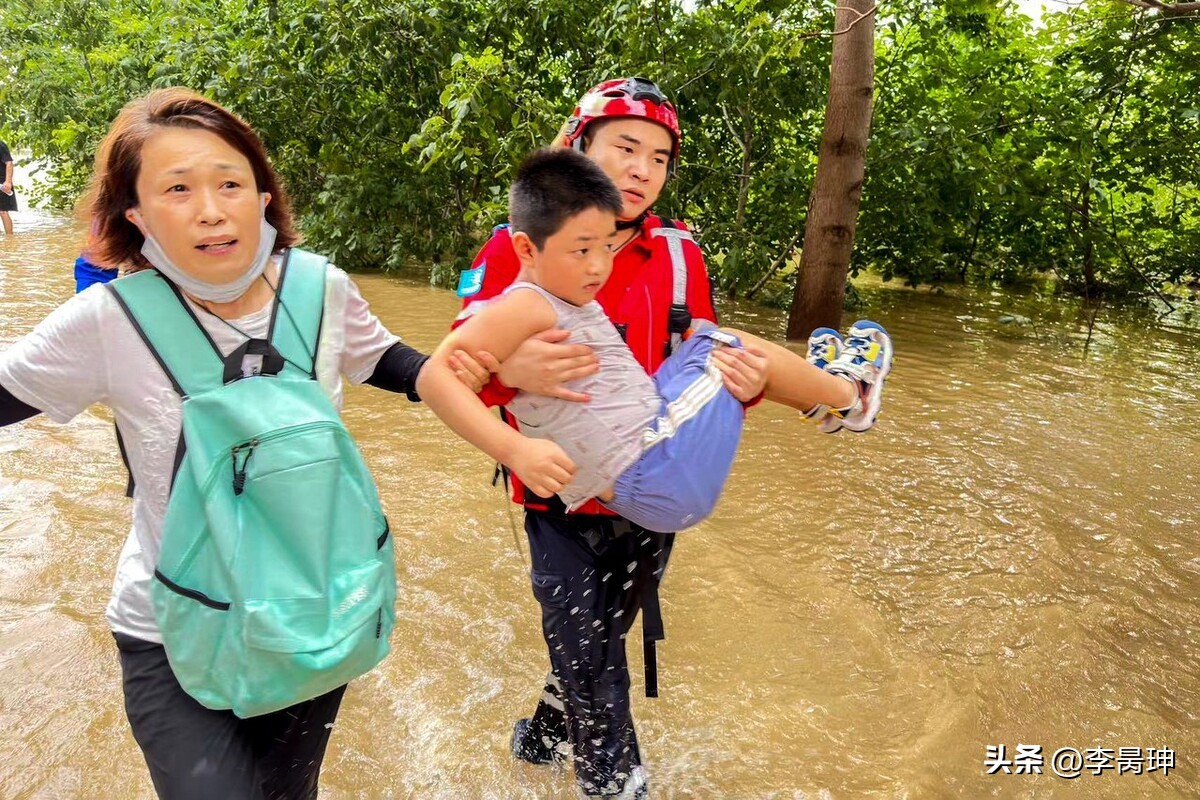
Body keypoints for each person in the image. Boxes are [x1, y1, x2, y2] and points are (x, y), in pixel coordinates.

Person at [0, 88, 492, 799]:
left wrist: (504, 372)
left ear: (262, 194)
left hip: (310, 613)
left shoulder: (322, 289)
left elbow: (401, 366)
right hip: (170, 631)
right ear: (134, 214)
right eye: (177, 189)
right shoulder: (105, 321)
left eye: (229, 182)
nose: (210, 208)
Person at [447, 78, 773, 799]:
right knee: (597, 669)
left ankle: (537, 740)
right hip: (556, 493)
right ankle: (619, 788)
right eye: (624, 148)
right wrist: (509, 366)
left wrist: (742, 390)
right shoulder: (514, 247)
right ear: (579, 149)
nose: (640, 170)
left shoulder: (683, 257)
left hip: (648, 494)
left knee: (598, 650)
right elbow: (458, 366)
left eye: (658, 158)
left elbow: (705, 369)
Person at [421, 147, 890, 551]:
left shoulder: (592, 273)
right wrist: (514, 449)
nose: (600, 266)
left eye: (607, 246)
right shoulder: (527, 303)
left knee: (697, 347)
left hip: (646, 459)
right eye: (582, 250)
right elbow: (434, 377)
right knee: (714, 343)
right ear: (526, 250)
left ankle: (824, 400)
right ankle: (848, 395)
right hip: (655, 473)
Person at [0, 138, 16, 235]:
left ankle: (10, 239)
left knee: (2, 211)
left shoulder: (1, 145)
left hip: (2, 182)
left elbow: (9, 163)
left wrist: (8, 182)